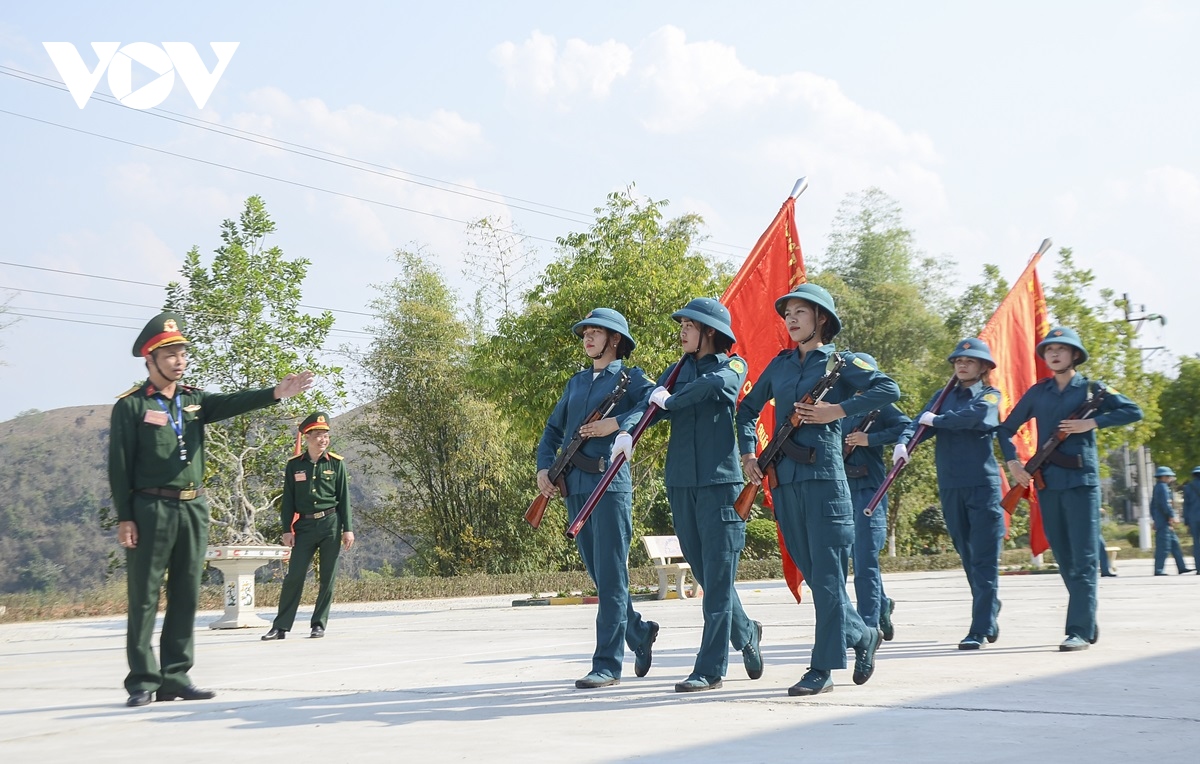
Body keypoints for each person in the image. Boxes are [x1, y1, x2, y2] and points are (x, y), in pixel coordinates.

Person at [110, 312, 313, 707]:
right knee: (145, 596)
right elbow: (119, 466)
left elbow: (232, 402)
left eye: (182, 352)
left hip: (192, 507)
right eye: (169, 353)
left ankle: (175, 676)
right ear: (149, 360)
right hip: (149, 507)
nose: (179, 359)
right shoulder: (132, 407)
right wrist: (124, 516)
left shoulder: (193, 400)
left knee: (186, 593)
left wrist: (275, 393)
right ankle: (142, 680)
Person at [736, 284, 900, 696]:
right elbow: (746, 411)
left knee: (827, 579)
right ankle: (864, 636)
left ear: (821, 319)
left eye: (800, 313)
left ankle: (821, 669)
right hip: (784, 482)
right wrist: (748, 455)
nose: (790, 319)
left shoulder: (842, 364)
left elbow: (889, 389)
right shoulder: (780, 365)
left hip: (826, 484)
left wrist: (837, 411)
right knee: (815, 577)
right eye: (787, 313)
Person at [634, 298, 762, 693]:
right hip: (681, 484)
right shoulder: (675, 371)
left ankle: (709, 669)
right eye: (683, 325)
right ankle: (747, 631)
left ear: (710, 332)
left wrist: (669, 399)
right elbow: (648, 405)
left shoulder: (731, 365)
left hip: (719, 486)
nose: (682, 332)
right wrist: (634, 416)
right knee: (707, 574)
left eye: (689, 325)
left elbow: (714, 387)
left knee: (718, 583)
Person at [999, 326, 1144, 651]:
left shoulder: (1093, 390)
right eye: (1049, 349)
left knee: (1084, 556)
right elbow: (1005, 429)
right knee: (1063, 555)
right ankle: (1086, 618)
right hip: (1048, 484)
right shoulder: (1038, 392)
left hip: (1082, 484)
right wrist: (1014, 464)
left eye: (1061, 349)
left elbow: (1134, 410)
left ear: (1074, 355)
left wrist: (1091, 423)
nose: (1054, 353)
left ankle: (1077, 628)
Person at [536, 308, 658, 689]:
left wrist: (617, 424)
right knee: (602, 576)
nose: (588, 338)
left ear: (615, 340)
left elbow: (656, 407)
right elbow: (553, 429)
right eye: (585, 332)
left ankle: (607, 663)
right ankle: (638, 632)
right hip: (575, 486)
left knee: (611, 573)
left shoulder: (632, 379)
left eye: (596, 332)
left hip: (608, 484)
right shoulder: (575, 383)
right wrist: (544, 468)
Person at [897, 338, 1002, 651]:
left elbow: (975, 417)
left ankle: (979, 628)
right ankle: (990, 606)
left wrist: (939, 421)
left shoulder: (990, 395)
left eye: (969, 361)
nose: (961, 365)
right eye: (958, 361)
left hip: (981, 485)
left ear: (983, 367)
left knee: (984, 558)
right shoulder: (942, 396)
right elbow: (917, 422)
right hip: (950, 484)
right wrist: (903, 442)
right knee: (967, 554)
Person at [262, 412, 355, 641]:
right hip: (304, 525)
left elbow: (344, 499)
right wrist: (286, 529)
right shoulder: (295, 466)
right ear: (307, 437)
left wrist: (347, 529)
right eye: (318, 436)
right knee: (294, 576)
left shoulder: (336, 463)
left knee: (327, 577)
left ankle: (318, 624)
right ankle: (281, 626)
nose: (323, 440)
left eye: (326, 435)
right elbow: (288, 501)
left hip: (330, 524)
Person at [841, 353, 911, 642]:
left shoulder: (879, 406)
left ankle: (868, 626)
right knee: (852, 559)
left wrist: (870, 439)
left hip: (869, 489)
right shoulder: (838, 405)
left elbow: (908, 426)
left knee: (866, 560)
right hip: (841, 490)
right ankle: (881, 604)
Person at [1150, 466, 1193, 576]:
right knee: (1163, 547)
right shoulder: (1162, 487)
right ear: (1164, 477)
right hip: (1164, 521)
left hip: (1161, 520)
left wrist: (1155, 518)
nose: (1170, 478)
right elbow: (1165, 505)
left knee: (1175, 545)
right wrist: (1171, 516)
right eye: (1169, 476)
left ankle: (1181, 567)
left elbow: (1153, 505)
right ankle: (1159, 570)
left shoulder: (1158, 487)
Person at [1184, 466, 1200, 575]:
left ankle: (1199, 568)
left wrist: (1186, 521)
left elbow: (1186, 506)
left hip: (1194, 518)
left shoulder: (1188, 487)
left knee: (1197, 543)